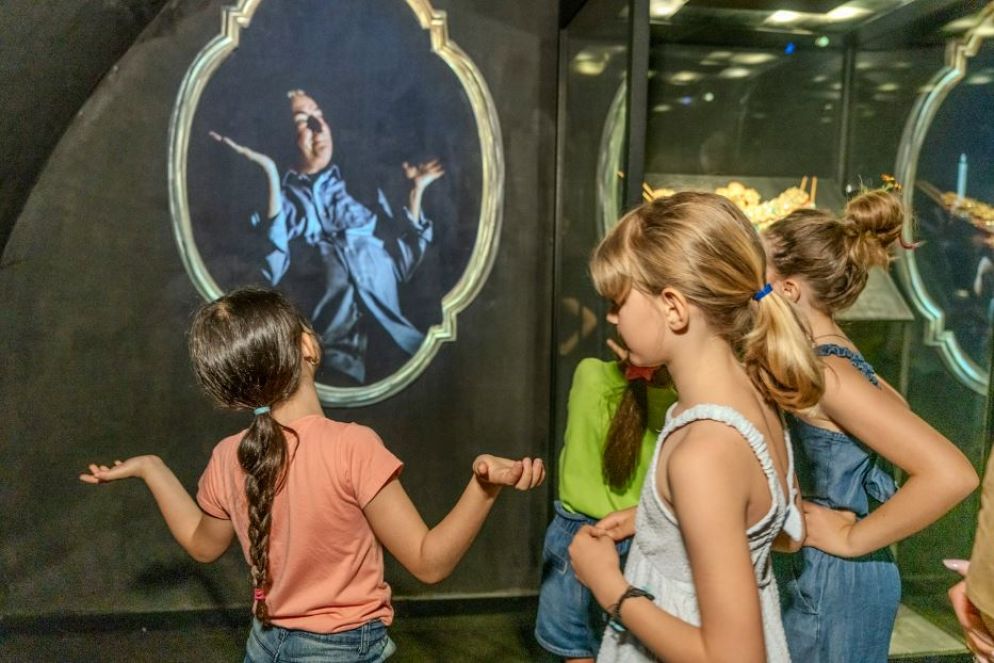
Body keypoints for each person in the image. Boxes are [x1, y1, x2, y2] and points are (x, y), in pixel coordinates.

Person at [79, 287, 544, 662]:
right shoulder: (351, 446)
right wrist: (482, 488)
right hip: (343, 650)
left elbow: (203, 546)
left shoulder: (228, 456)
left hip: (264, 645)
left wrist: (152, 469)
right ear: (306, 345)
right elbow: (429, 562)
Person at [568, 192, 820, 662]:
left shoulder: (702, 454)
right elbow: (785, 532)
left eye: (619, 301)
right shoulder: (757, 395)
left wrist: (609, 586)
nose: (612, 317)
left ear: (674, 308)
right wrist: (660, 525)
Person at [763, 189, 979, 662]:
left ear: (789, 290)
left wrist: (851, 536)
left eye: (757, 280)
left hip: (832, 577)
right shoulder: (841, 359)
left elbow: (952, 474)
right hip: (838, 575)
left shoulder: (828, 373)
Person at [210, 90, 445, 383]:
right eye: (302, 121)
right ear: (282, 135)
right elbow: (268, 273)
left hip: (399, 349)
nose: (318, 126)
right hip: (328, 365)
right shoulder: (270, 204)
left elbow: (401, 267)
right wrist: (270, 172)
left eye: (319, 115)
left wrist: (416, 192)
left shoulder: (365, 190)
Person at [535, 339, 677, 661]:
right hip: (640, 535)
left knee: (577, 653)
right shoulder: (675, 401)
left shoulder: (588, 373)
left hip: (574, 537)